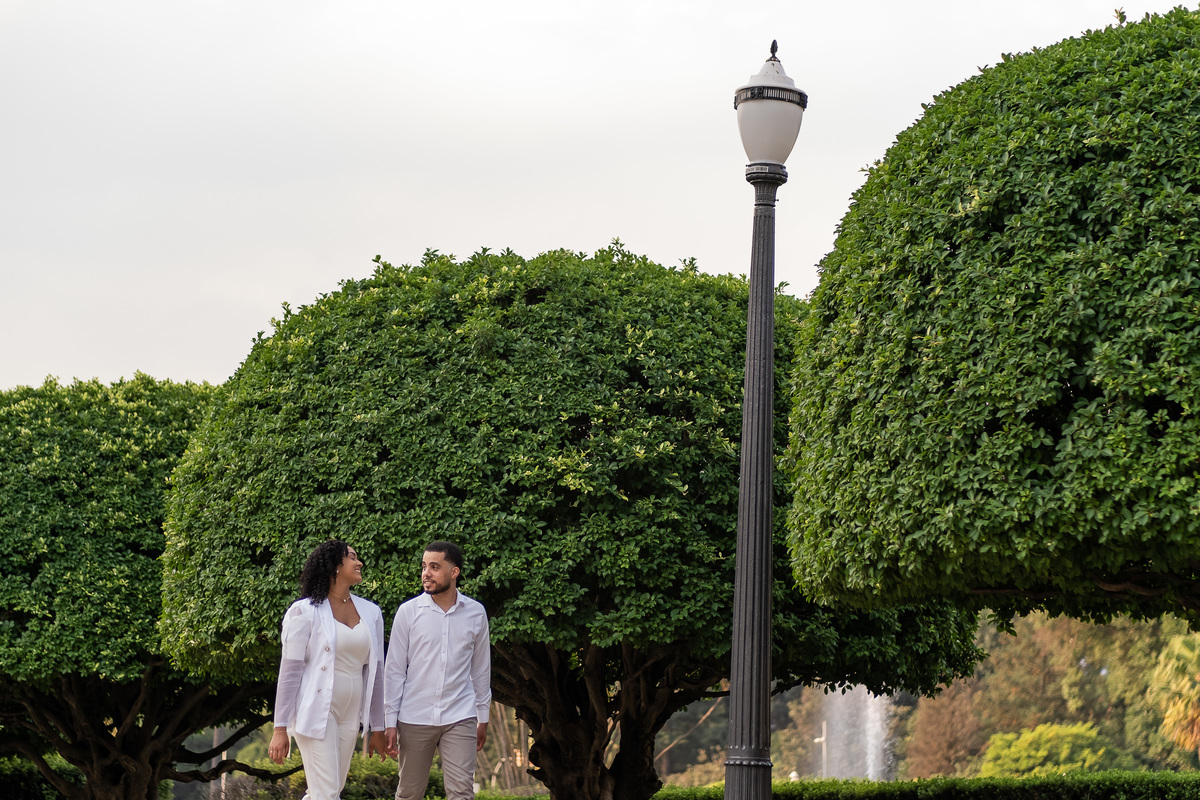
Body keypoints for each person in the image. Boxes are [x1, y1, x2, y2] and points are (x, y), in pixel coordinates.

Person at [268, 540, 388, 800]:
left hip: (351, 712)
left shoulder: (371, 612)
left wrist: (378, 727)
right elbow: (289, 673)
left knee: (331, 788)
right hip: (315, 709)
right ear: (335, 566)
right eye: (352, 558)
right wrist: (280, 729)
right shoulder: (303, 611)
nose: (360, 563)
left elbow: (376, 674)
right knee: (327, 791)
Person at [383, 540, 491, 800]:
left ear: (454, 572)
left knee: (462, 793)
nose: (425, 574)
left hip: (460, 715)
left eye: (434, 567)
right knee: (409, 794)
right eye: (423, 566)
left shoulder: (476, 613)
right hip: (414, 716)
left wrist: (483, 717)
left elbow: (481, 670)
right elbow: (394, 670)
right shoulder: (408, 612)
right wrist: (389, 721)